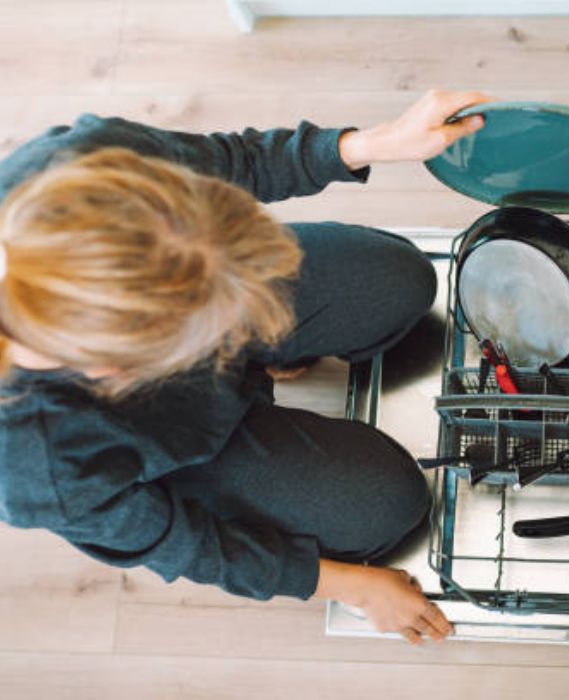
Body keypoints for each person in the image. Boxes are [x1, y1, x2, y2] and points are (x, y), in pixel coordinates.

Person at [0, 89, 490, 645]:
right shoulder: (30, 465)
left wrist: (372, 143)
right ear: (117, 372)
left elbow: (233, 160)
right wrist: (353, 586)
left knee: (401, 276)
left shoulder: (81, 171)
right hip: (188, 451)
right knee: (389, 507)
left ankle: (262, 358)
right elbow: (187, 544)